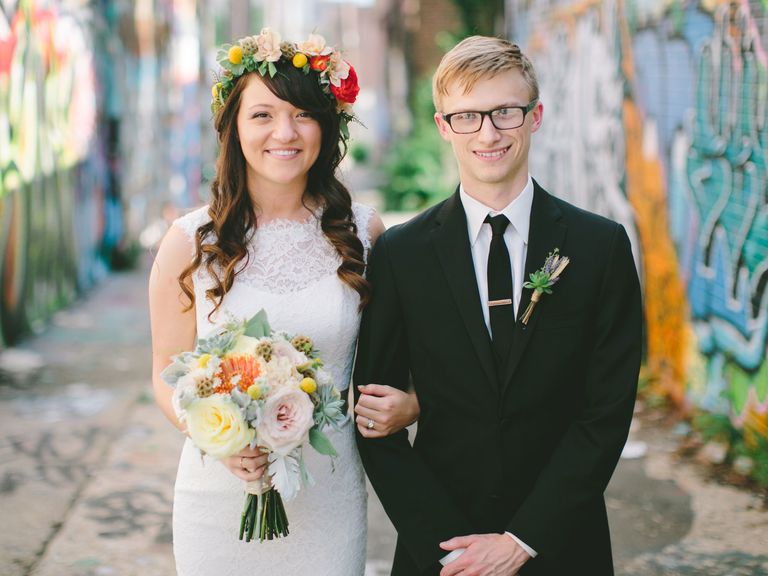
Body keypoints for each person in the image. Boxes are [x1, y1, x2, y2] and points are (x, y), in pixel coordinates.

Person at [354, 35, 642, 575]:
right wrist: (450, 547)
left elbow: (604, 414)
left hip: (562, 541)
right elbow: (373, 418)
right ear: (443, 126)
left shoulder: (598, 247)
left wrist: (522, 540)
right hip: (440, 551)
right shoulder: (401, 253)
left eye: (505, 112)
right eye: (467, 116)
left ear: (534, 117)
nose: (488, 133)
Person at [149, 29, 418, 576]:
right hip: (219, 493)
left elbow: (404, 362)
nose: (285, 133)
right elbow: (163, 372)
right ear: (233, 128)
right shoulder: (188, 241)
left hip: (330, 492)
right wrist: (216, 435)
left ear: (327, 125)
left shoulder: (365, 234)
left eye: (302, 114)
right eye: (263, 115)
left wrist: (411, 404)